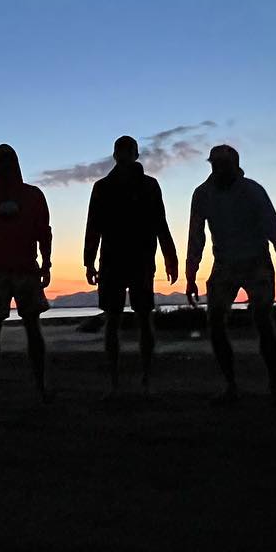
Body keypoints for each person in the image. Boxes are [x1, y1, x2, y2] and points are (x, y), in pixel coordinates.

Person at [185, 144, 276, 405]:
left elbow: (275, 232)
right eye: (215, 164)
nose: (219, 169)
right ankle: (231, 386)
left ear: (235, 165)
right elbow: (196, 237)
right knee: (214, 322)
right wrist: (190, 275)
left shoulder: (253, 191)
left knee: (262, 319)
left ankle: (274, 388)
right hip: (224, 264)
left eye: (224, 164)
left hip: (256, 262)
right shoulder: (202, 194)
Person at [83, 135, 179, 392]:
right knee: (115, 319)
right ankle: (118, 381)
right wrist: (88, 261)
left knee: (141, 317)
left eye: (127, 152)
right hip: (115, 261)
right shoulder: (103, 187)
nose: (124, 156)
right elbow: (94, 226)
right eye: (122, 152)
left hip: (139, 260)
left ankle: (143, 378)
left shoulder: (148, 186)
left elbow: (160, 222)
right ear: (117, 155)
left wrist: (170, 256)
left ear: (134, 155)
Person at [0, 144, 53, 402]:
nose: (3, 167)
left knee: (31, 327)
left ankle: (40, 386)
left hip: (26, 268)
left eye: (7, 162)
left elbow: (44, 232)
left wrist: (46, 264)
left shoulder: (33, 195)